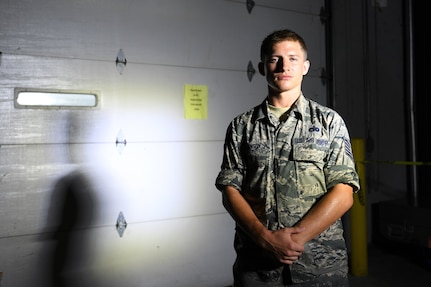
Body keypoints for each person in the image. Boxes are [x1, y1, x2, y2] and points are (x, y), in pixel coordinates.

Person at [215, 29, 360, 287]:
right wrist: (266, 239)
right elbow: (230, 189)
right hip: (258, 267)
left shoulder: (329, 122)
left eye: (292, 58)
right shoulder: (242, 127)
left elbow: (344, 191)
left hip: (320, 267)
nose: (283, 66)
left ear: (305, 67)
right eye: (274, 59)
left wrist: (294, 241)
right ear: (262, 67)